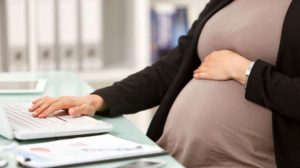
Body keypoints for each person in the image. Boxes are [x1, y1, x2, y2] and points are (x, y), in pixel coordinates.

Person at [28, 0, 300, 167]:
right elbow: (172, 68)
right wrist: (98, 100)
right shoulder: (226, 1)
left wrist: (246, 72)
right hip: (170, 156)